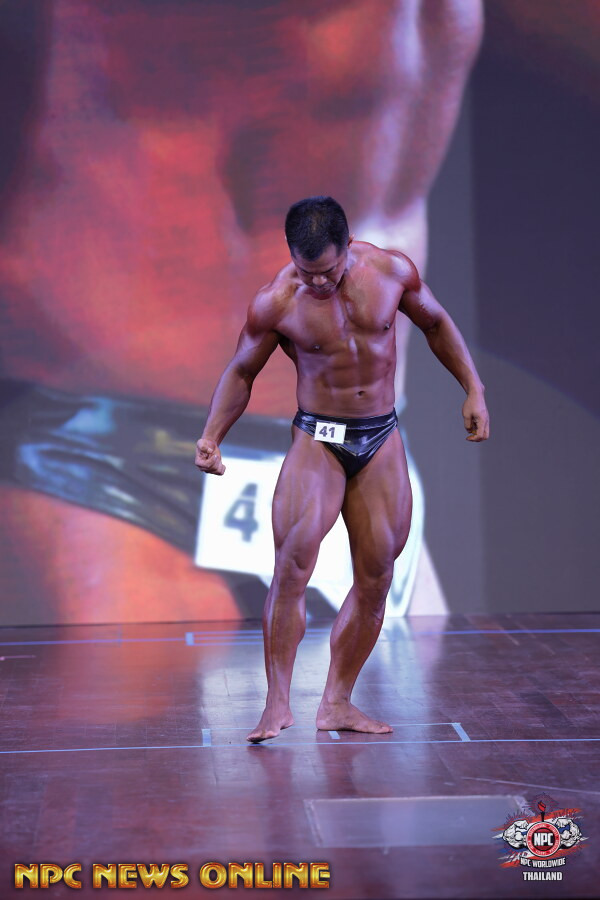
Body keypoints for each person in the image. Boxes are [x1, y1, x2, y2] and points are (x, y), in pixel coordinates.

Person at [195, 197, 489, 743]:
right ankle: (276, 705)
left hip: (379, 435)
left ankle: (336, 702)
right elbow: (241, 371)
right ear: (292, 257)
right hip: (319, 437)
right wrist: (212, 436)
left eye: (329, 271)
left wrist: (473, 388)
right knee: (292, 565)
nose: (320, 282)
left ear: (348, 246)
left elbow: (436, 323)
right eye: (308, 272)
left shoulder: (390, 271)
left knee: (377, 574)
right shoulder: (277, 301)